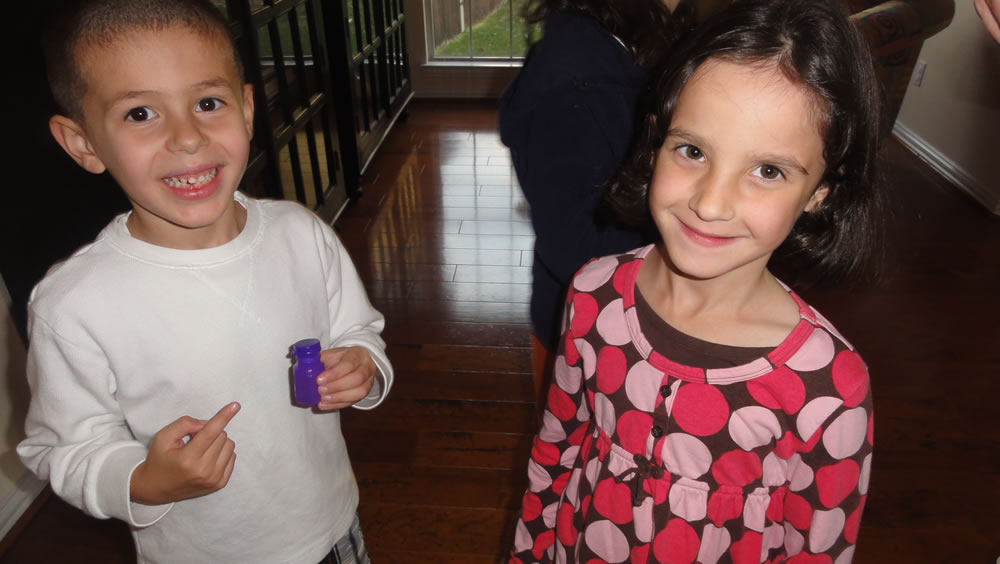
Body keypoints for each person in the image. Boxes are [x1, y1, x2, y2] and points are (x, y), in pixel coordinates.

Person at [17, 1, 393, 562]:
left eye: (208, 103)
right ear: (83, 143)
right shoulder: (73, 304)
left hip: (332, 528)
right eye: (140, 113)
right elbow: (63, 448)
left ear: (247, 109)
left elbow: (359, 330)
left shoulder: (301, 233)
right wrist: (143, 481)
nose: (187, 137)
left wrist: (362, 364)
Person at [509, 0, 883, 560]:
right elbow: (556, 451)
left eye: (768, 170)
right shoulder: (591, 294)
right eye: (692, 151)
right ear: (656, 140)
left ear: (820, 193)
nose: (710, 204)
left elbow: (819, 550)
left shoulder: (829, 387)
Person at [499, 0, 696, 406]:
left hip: (632, 315)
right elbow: (574, 246)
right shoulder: (576, 86)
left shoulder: (631, 47)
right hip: (593, 332)